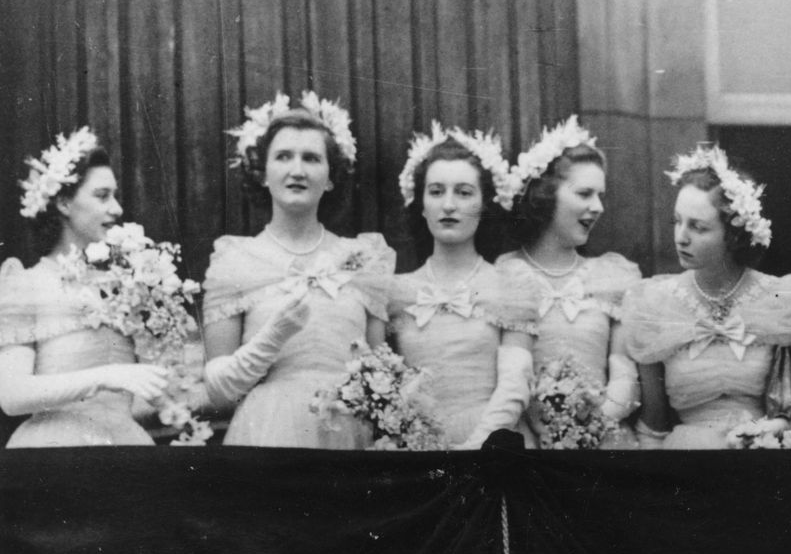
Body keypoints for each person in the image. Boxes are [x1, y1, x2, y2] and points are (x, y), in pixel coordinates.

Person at [203, 93, 394, 448]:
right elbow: (219, 393)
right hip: (268, 433)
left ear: (331, 176)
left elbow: (379, 373)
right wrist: (273, 335)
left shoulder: (363, 259)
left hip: (348, 436)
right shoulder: (235, 261)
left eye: (311, 158)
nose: (297, 170)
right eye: (283, 157)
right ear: (263, 173)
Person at [620, 144, 791, 449]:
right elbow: (653, 426)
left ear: (733, 235)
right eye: (677, 221)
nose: (681, 237)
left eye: (698, 227)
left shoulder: (782, 298)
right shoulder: (654, 303)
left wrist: (774, 429)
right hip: (685, 464)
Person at [0, 129, 173, 446]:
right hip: (53, 451)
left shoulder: (127, 283)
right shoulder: (27, 284)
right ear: (64, 202)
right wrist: (105, 376)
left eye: (115, 196)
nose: (118, 209)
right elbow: (11, 395)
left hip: (125, 444)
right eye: (102, 195)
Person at [495, 116, 643, 448]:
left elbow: (623, 371)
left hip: (601, 441)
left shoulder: (613, 276)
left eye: (600, 195)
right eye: (585, 193)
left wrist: (592, 424)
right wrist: (544, 428)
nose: (598, 207)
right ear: (547, 195)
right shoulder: (507, 273)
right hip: (528, 441)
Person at [387, 124, 537, 449]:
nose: (449, 205)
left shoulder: (510, 284)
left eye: (464, 192)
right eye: (437, 191)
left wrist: (473, 450)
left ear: (484, 205)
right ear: (421, 203)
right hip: (418, 451)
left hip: (492, 449)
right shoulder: (397, 292)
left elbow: (514, 385)